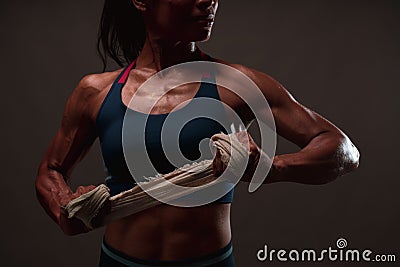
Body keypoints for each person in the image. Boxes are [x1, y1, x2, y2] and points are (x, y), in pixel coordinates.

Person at [35, 0, 360, 266]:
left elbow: (342, 149)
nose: (209, 1)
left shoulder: (237, 85)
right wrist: (63, 205)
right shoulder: (97, 92)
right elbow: (51, 171)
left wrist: (272, 167)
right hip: (120, 262)